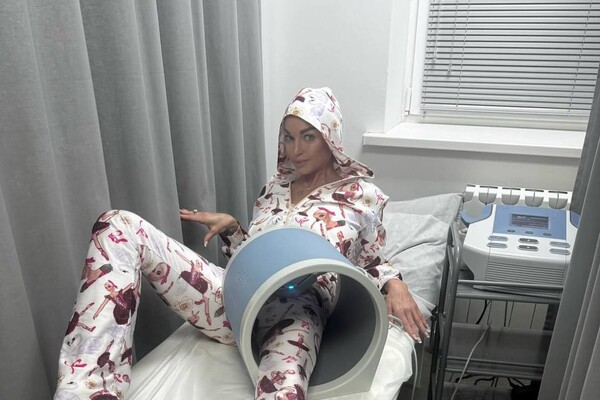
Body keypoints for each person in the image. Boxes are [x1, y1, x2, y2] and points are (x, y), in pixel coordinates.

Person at [54, 87, 428, 400]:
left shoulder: (362, 196)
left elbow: (369, 261)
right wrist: (234, 230)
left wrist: (394, 283)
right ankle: (87, 390)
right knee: (117, 225)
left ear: (330, 137)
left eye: (308, 136)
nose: (295, 149)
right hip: (234, 295)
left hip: (298, 308)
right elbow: (256, 256)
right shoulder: (273, 189)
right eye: (288, 137)